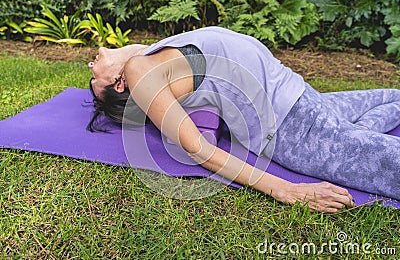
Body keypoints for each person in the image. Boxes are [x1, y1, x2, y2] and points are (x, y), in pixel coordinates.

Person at [88, 26, 400, 213]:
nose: (91, 63)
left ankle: (358, 132)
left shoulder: (147, 54)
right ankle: (354, 139)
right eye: (93, 75)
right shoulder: (138, 72)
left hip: (304, 96)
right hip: (293, 129)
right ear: (118, 83)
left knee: (392, 97)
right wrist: (285, 188)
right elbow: (197, 148)